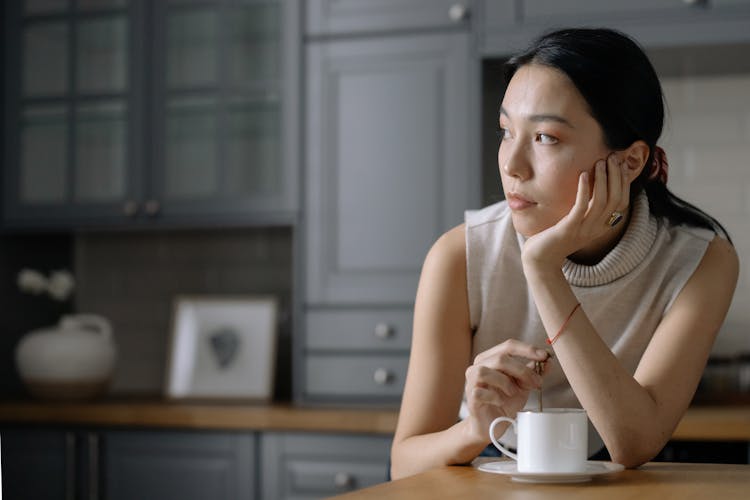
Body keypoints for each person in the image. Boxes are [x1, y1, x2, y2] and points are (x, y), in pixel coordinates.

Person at [389, 27, 739, 480]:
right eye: (506, 131)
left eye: (545, 138)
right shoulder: (460, 257)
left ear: (629, 162)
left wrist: (542, 266)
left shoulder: (701, 262)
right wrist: (475, 428)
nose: (512, 165)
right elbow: (404, 464)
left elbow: (634, 442)